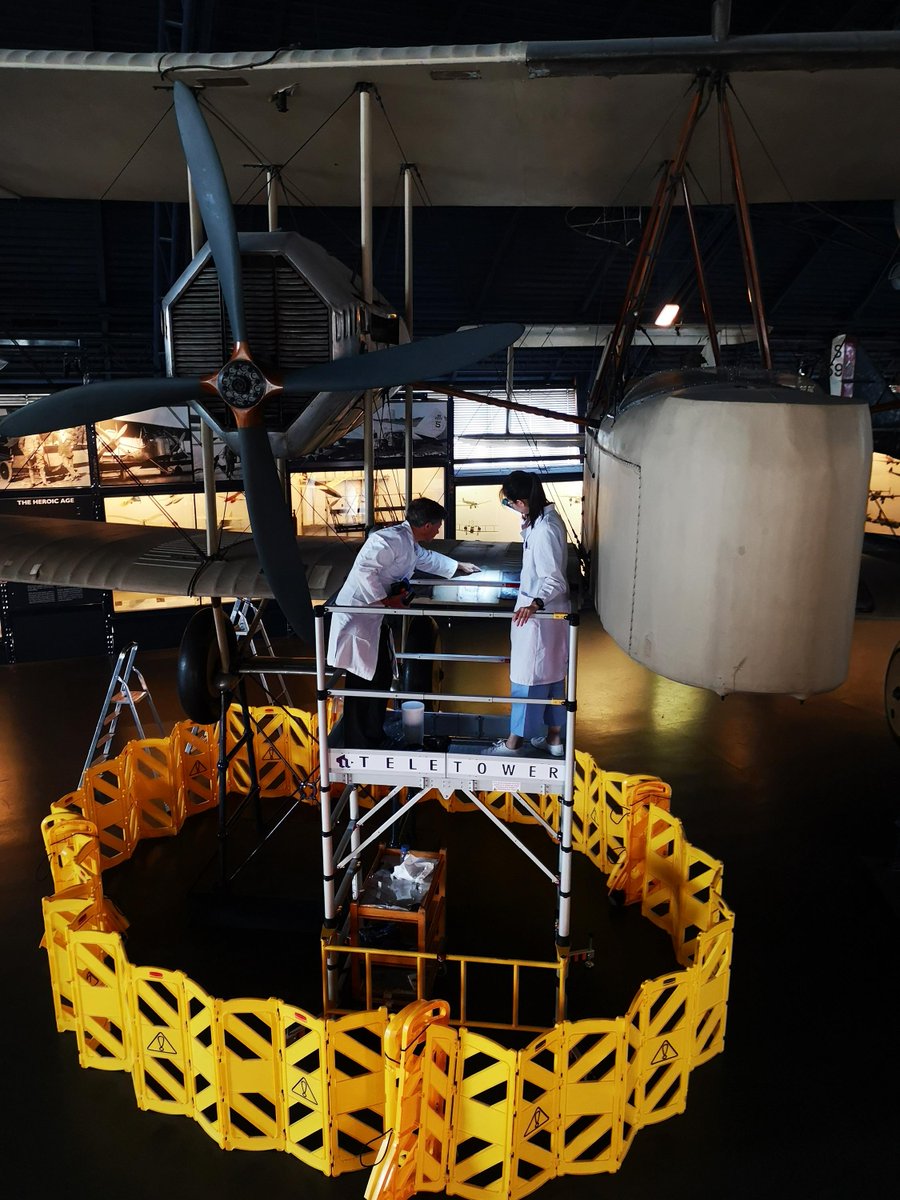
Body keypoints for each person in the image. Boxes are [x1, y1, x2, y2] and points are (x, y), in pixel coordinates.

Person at [327, 497, 479, 748]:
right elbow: (365, 570)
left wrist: (457, 566)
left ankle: (372, 733)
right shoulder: (387, 539)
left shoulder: (408, 540)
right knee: (363, 681)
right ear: (428, 525)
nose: (440, 529)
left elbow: (424, 558)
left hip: (372, 616)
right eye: (439, 525)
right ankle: (361, 738)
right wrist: (387, 600)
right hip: (358, 615)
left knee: (379, 676)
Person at [491, 471, 570, 756]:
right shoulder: (541, 522)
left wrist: (534, 603)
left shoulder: (547, 529)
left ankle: (514, 744)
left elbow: (554, 578)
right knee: (551, 677)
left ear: (522, 501)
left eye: (510, 503)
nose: (510, 507)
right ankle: (553, 739)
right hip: (547, 614)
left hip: (538, 613)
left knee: (528, 678)